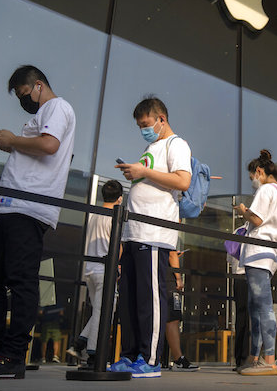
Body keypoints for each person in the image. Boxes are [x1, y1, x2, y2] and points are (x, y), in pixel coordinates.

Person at [0, 66, 76, 380]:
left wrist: (14, 140)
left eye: (24, 94)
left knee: (20, 280)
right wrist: (13, 143)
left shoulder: (57, 107)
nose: (23, 101)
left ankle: (13, 355)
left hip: (29, 207)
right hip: (10, 207)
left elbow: (49, 145)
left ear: (38, 85)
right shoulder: (44, 112)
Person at [110, 96, 192, 378]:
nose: (143, 129)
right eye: (140, 126)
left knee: (151, 297)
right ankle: (130, 354)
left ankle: (151, 358)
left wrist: (143, 170)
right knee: (130, 298)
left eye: (146, 124)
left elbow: (183, 180)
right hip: (135, 232)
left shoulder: (176, 144)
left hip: (154, 232)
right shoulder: (151, 146)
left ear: (161, 119)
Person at [235, 150, 277, 376]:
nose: (253, 183)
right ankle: (255, 357)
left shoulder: (266, 189)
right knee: (257, 306)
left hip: (259, 250)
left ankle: (268, 359)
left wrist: (243, 210)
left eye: (252, 178)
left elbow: (256, 219)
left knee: (262, 306)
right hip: (271, 252)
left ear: (259, 172)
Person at [66, 180, 123, 368]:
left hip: (89, 270)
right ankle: (93, 355)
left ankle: (80, 342)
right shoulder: (113, 217)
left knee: (100, 310)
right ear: (120, 198)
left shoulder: (94, 216)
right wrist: (118, 265)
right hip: (104, 271)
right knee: (104, 312)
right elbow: (118, 247)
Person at [166, 250, 199, 371]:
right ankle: (178, 359)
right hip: (168, 280)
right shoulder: (168, 234)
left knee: (163, 317)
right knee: (173, 319)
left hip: (159, 276)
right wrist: (178, 278)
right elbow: (171, 254)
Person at [229, 252, 249, 371]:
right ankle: (248, 358)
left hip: (237, 277)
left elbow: (230, 259)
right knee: (249, 318)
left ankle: (240, 359)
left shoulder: (236, 234)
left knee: (241, 318)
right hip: (250, 275)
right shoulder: (253, 233)